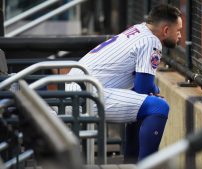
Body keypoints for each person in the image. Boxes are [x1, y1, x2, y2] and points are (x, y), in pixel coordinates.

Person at [66, 4, 182, 162]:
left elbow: (140, 89)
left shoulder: (139, 29)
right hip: (86, 95)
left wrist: (151, 91)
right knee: (158, 107)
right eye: (178, 31)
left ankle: (131, 163)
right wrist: (155, 90)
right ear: (166, 30)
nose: (180, 35)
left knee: (144, 104)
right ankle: (147, 165)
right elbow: (144, 87)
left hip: (75, 88)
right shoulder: (151, 41)